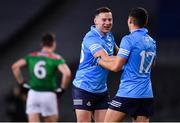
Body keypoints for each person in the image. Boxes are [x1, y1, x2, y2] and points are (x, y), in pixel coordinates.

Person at [98, 7, 156, 122]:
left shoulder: (128, 39)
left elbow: (116, 67)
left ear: (129, 20)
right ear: (145, 22)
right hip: (146, 95)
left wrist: (99, 61)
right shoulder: (152, 41)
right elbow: (151, 64)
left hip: (128, 93)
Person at [11, 32, 71, 122]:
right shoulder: (56, 58)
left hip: (33, 94)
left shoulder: (31, 56)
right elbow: (67, 74)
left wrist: (22, 84)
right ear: (53, 44)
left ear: (42, 44)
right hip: (48, 94)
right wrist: (62, 89)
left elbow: (15, 67)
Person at [72, 7, 119, 122]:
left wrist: (130, 53)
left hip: (101, 90)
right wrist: (128, 59)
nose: (108, 23)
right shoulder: (91, 38)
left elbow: (120, 52)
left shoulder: (109, 36)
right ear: (95, 21)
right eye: (104, 20)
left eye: (110, 19)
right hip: (84, 88)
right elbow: (106, 58)